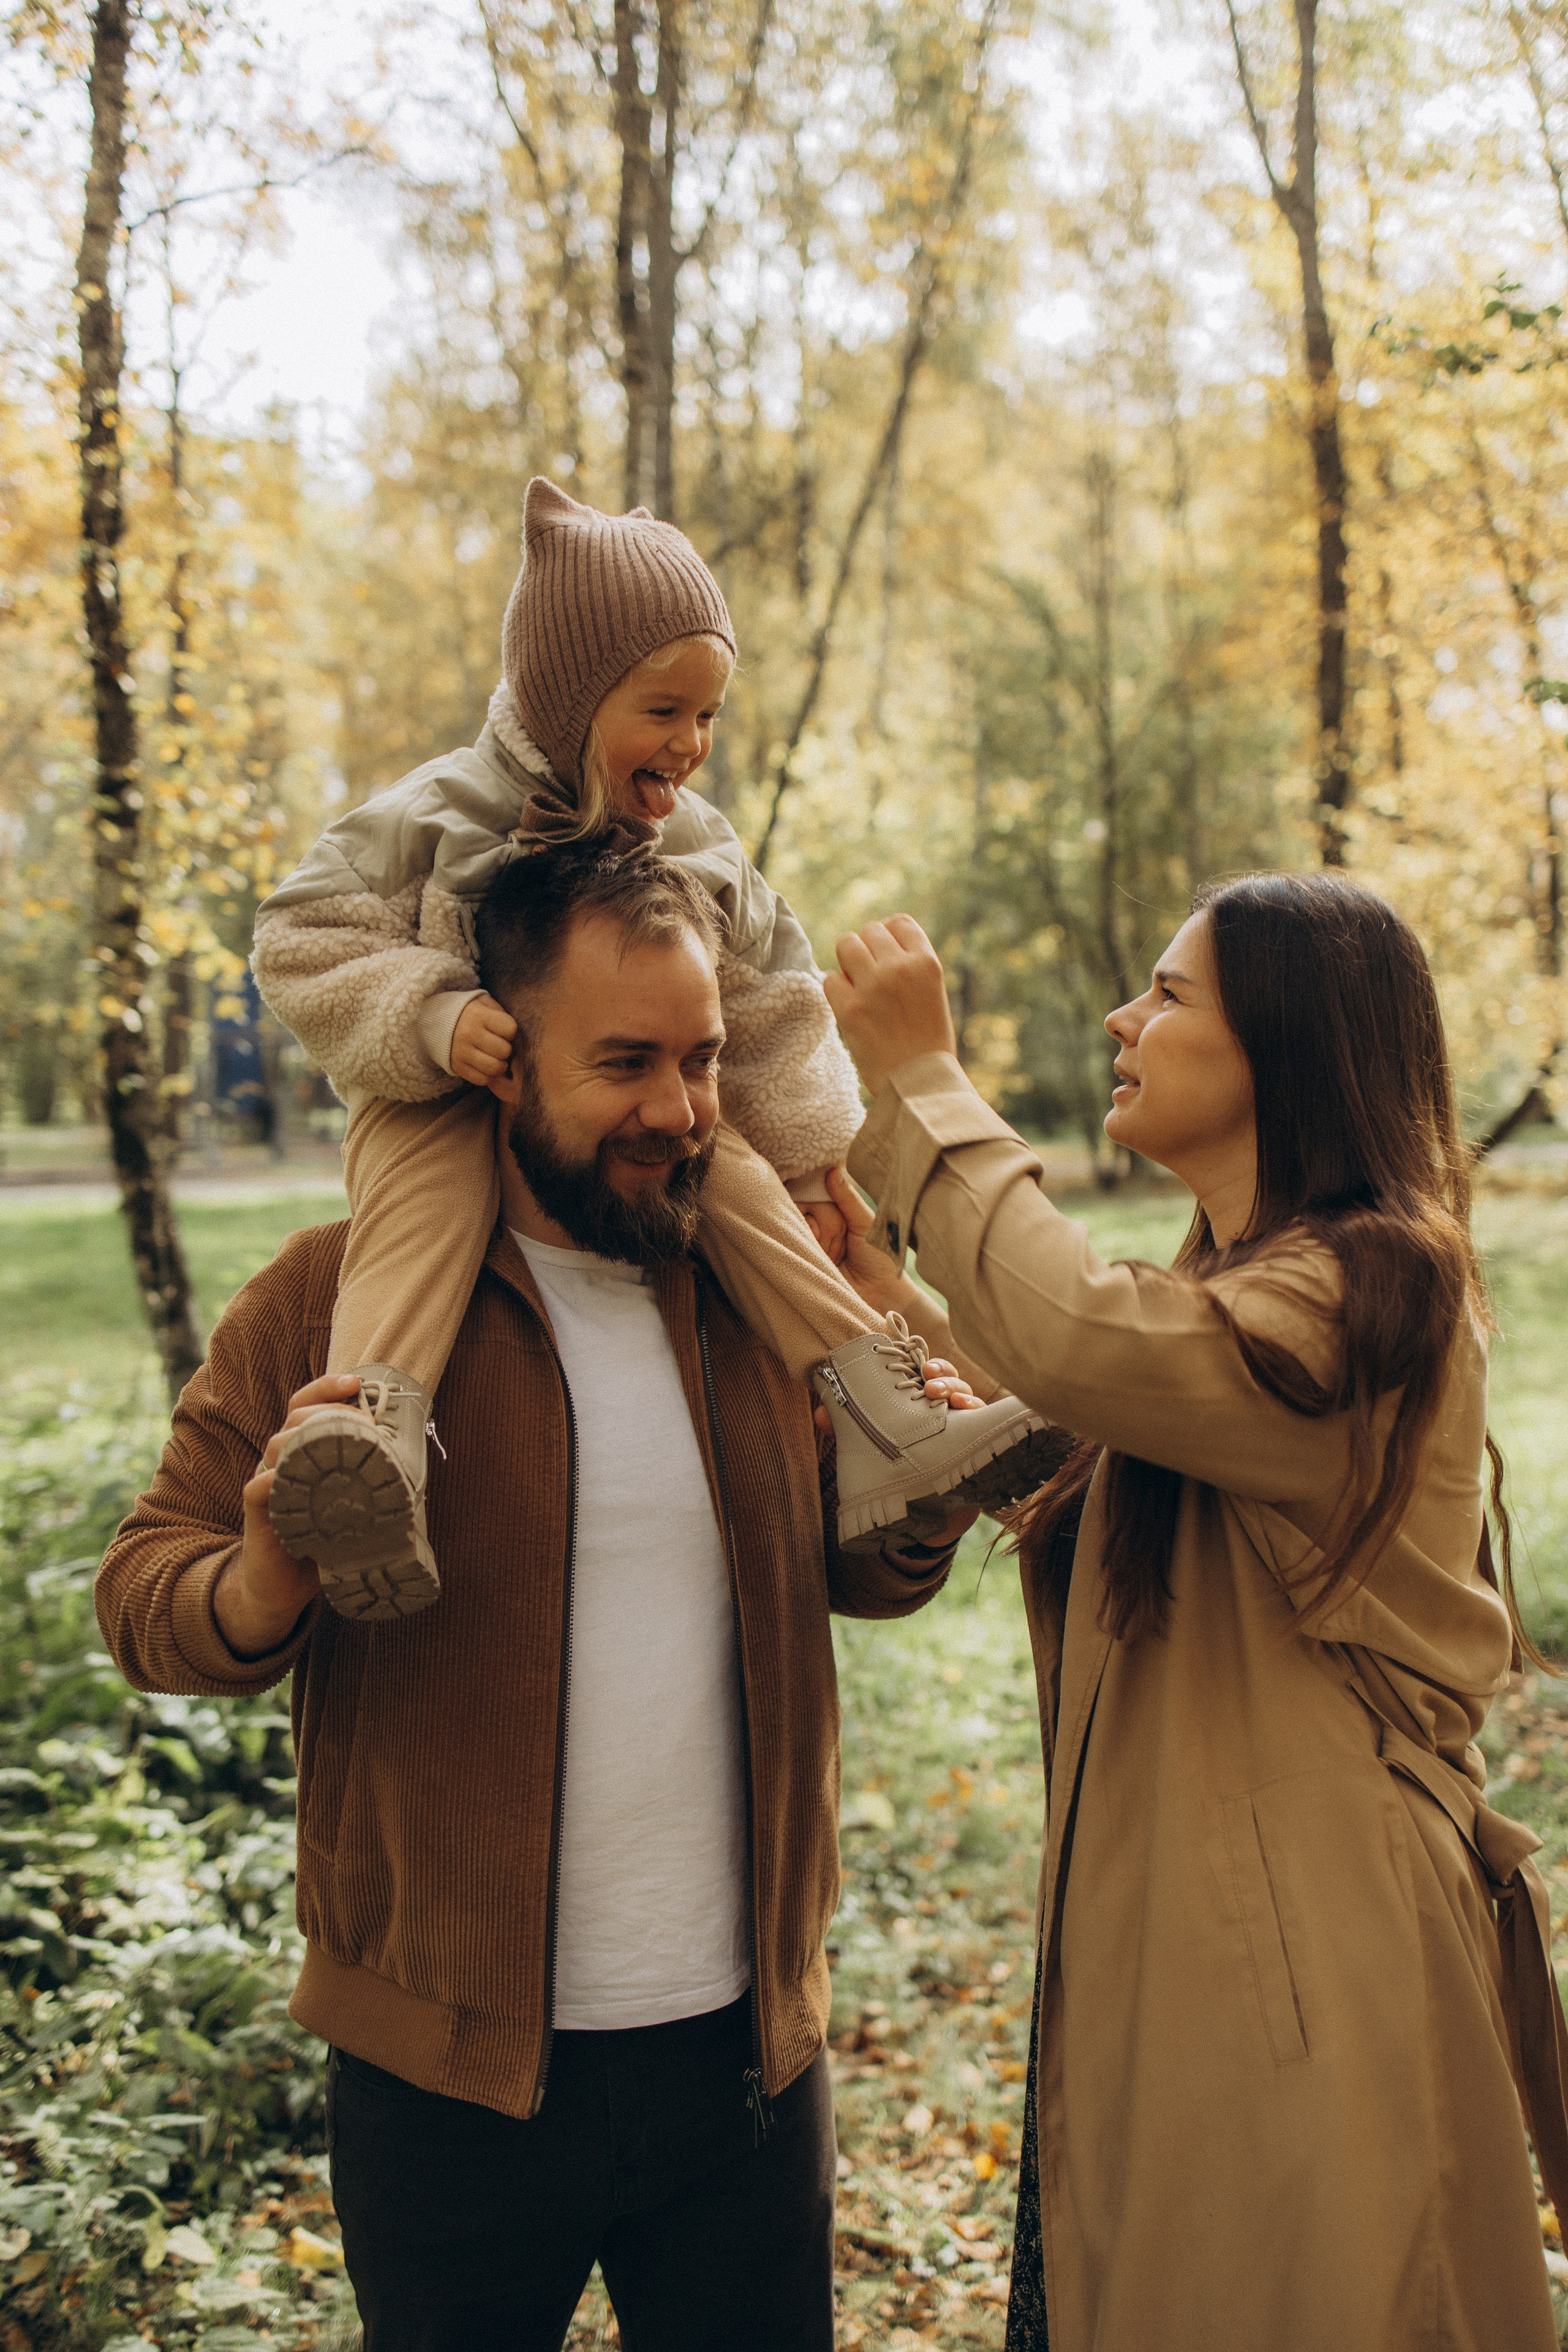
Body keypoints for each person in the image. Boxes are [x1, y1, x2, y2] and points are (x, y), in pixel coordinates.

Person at [96, 847, 996, 2352]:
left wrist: (912, 1518)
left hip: (746, 2075)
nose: (681, 1109)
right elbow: (143, 1593)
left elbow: (846, 1582)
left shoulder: (750, 1297)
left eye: (702, 1058)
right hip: (446, 2092)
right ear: (502, 1063)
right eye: (624, 1064)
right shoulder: (337, 1302)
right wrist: (261, 1580)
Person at [818, 875, 1568, 2352]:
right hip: (1209, 1954)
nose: (1124, 1018)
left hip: (1307, 1973)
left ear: (1284, 1050)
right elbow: (1097, 1377)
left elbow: (1089, 1341)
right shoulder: (1239, 1288)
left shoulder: (1368, 1291)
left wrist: (923, 1080)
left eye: (1167, 996)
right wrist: (876, 1282)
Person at [249, 477, 1054, 1619]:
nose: (692, 745)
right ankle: (368, 1434)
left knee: (720, 1162)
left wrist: (816, 1162)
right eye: (664, 711)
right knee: (416, 1209)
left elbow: (767, 1003)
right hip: (445, 1096)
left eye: (709, 716)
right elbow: (301, 936)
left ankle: (886, 1407)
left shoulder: (704, 849)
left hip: (628, 1132)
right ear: (568, 697)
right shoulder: (436, 814)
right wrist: (428, 1013)